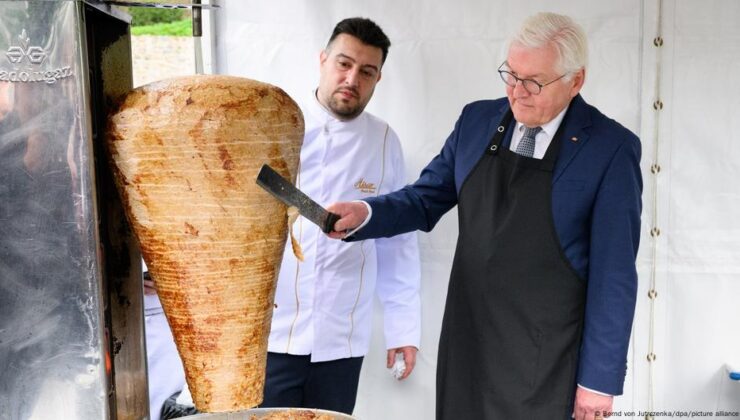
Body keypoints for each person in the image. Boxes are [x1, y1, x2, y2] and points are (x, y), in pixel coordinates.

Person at [328, 12, 642, 420]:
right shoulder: (477, 121)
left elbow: (614, 274)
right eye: (510, 75)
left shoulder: (610, 149)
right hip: (469, 345)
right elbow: (424, 199)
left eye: (533, 82)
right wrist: (366, 213)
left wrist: (598, 382)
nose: (517, 91)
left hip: (545, 361)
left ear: (575, 81)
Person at [262, 17, 422, 415]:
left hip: (341, 338)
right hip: (272, 334)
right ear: (322, 60)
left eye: (367, 71)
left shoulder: (385, 141)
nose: (352, 78)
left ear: (378, 78)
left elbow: (398, 241)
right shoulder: (276, 127)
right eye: (344, 64)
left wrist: (404, 330)